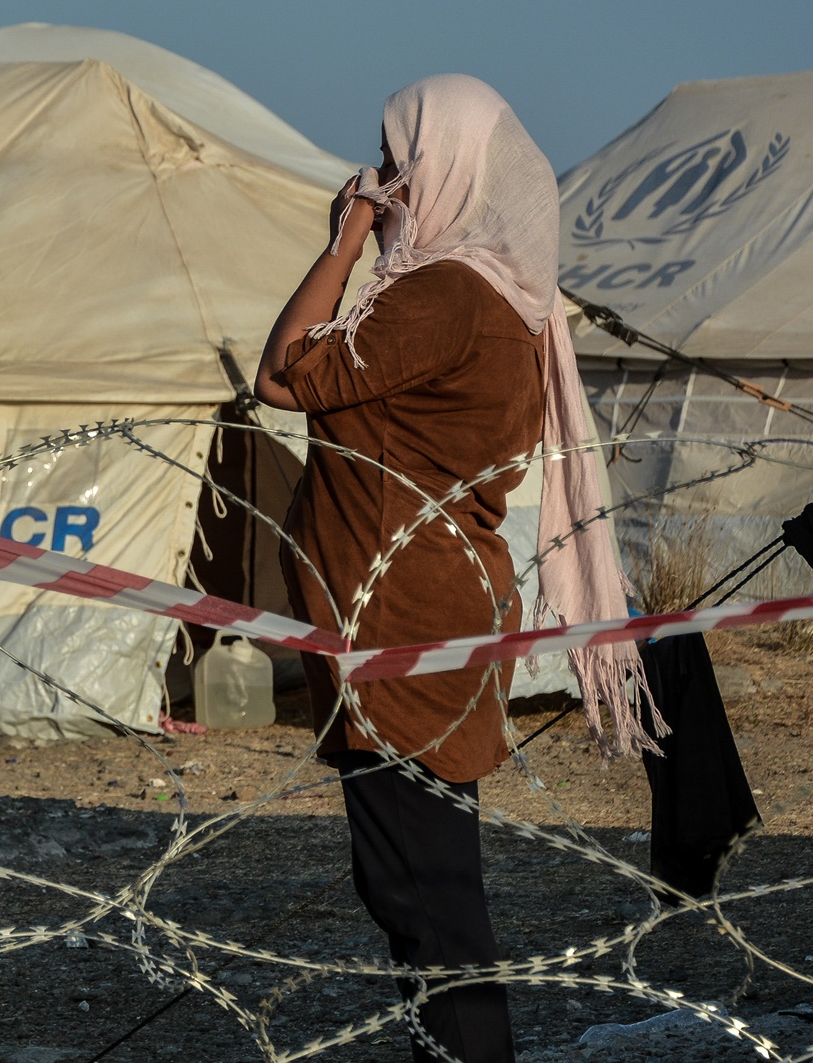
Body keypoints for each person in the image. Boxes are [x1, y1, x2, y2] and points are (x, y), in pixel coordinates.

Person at [254, 75, 650, 1063]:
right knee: (416, 893)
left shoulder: (445, 297)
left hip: (404, 631)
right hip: (416, 618)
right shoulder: (490, 298)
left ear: (442, 169)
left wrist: (343, 243)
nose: (378, 182)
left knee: (429, 904)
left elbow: (284, 371)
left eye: (393, 163)